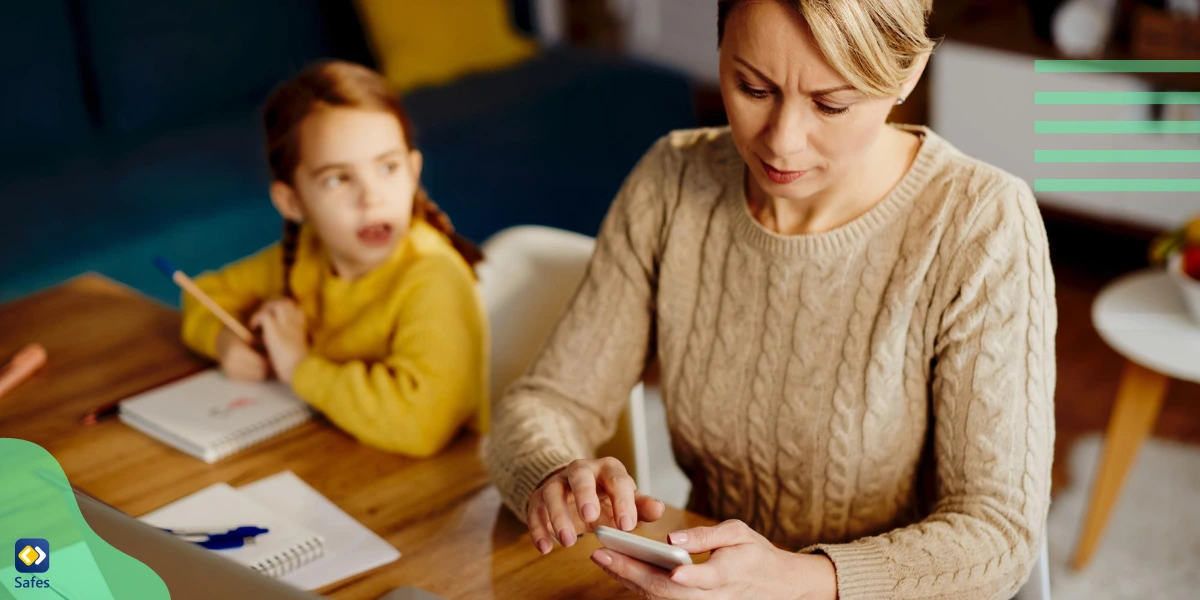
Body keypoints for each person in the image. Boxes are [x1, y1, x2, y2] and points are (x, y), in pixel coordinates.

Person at [484, 0, 1056, 598]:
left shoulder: (980, 223)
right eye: (752, 87)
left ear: (907, 75)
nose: (782, 142)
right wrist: (551, 471)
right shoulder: (672, 184)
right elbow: (545, 403)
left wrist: (802, 580)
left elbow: (998, 532)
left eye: (831, 104)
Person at [180, 60, 488, 458]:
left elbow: (421, 425)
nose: (371, 197)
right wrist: (224, 340)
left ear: (413, 172)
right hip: (331, 461)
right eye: (339, 178)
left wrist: (298, 366)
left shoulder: (433, 276)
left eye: (387, 168)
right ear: (292, 201)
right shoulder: (305, 254)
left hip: (438, 493)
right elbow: (202, 292)